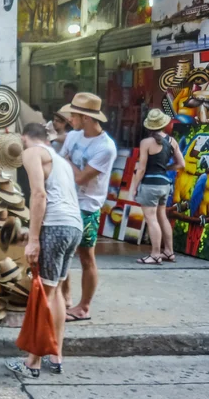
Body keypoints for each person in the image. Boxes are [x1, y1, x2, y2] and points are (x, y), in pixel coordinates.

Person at [5, 123, 83, 378]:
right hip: (73, 227)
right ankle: (56, 355)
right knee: (56, 290)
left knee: (43, 295)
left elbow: (38, 195)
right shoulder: (60, 160)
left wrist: (34, 239)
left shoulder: (31, 152)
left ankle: (32, 363)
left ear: (24, 138)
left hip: (56, 226)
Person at [58, 92, 117, 322]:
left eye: (73, 115)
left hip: (88, 205)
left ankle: (84, 307)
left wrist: (65, 161)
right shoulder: (74, 136)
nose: (70, 118)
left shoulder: (106, 147)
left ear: (85, 118)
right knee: (62, 253)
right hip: (67, 200)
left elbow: (81, 177)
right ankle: (66, 298)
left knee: (86, 257)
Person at [130, 109, 184, 264]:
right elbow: (181, 164)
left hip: (150, 185)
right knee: (162, 216)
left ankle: (155, 254)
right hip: (164, 185)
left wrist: (134, 187)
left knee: (151, 219)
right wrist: (166, 169)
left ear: (149, 126)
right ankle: (169, 252)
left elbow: (141, 168)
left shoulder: (146, 142)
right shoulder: (172, 141)